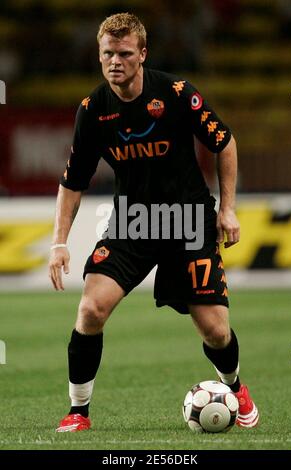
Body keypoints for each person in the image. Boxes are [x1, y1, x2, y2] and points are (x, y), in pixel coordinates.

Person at [49, 12, 259, 432]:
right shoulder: (92, 111)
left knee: (216, 331)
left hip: (189, 220)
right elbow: (73, 181)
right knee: (91, 308)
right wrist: (59, 241)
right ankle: (78, 412)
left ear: (142, 54)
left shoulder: (177, 94)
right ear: (99, 55)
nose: (115, 62)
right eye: (107, 53)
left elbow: (225, 142)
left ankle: (234, 387)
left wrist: (228, 208)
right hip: (133, 222)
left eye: (125, 53)